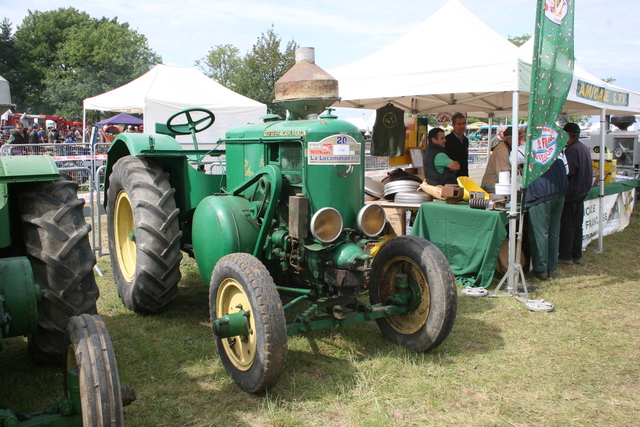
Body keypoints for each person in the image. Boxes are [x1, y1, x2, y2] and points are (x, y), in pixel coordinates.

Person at [525, 158, 568, 280]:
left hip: (541, 193)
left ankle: (541, 269)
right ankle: (551, 267)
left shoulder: (531, 149)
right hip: (559, 190)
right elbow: (567, 170)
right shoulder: (558, 150)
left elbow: (514, 158)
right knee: (553, 231)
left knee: (540, 232)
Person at [558, 123, 592, 265]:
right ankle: (576, 254)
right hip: (581, 191)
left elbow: (569, 171)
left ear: (567, 134)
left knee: (568, 225)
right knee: (577, 225)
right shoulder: (583, 147)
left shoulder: (572, 150)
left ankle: (566, 256)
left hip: (573, 192)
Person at [445, 112, 469, 177]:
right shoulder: (447, 140)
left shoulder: (465, 140)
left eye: (463, 123)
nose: (462, 126)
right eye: (459, 124)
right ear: (453, 125)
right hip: (452, 176)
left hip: (464, 175)